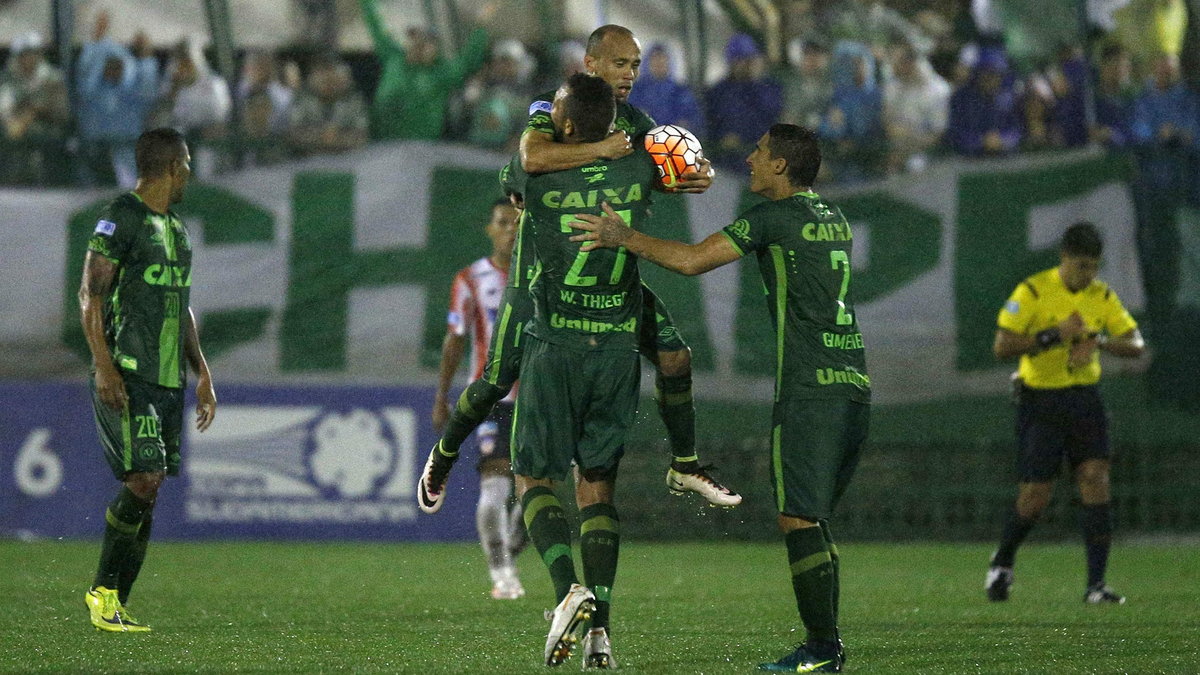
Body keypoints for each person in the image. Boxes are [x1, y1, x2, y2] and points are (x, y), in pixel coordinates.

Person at [570, 123, 870, 673]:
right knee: (814, 519)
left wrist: (625, 236)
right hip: (853, 384)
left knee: (798, 517)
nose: (751, 159)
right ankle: (826, 645)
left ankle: (822, 650)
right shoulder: (833, 216)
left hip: (809, 390)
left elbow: (690, 260)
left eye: (758, 152)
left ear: (780, 165)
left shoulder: (772, 218)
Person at [417, 25, 739, 519]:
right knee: (497, 378)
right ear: (591, 65)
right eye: (619, 64)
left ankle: (686, 463)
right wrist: (601, 151)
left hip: (609, 273)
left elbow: (676, 159)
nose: (629, 73)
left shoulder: (634, 119)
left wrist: (703, 171)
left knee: (675, 357)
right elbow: (530, 158)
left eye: (634, 64)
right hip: (543, 267)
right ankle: (443, 456)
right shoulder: (554, 104)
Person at [505, 72, 660, 669]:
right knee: (597, 488)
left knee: (534, 478)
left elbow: (527, 158)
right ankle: (602, 634)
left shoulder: (539, 170)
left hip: (556, 345)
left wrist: (554, 125)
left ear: (564, 125)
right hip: (618, 350)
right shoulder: (640, 168)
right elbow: (683, 167)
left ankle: (570, 589)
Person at [79, 127, 217, 632]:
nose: (190, 175)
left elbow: (181, 306)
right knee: (144, 479)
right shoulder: (123, 215)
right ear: (174, 165)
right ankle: (101, 591)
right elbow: (90, 295)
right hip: (129, 372)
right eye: (188, 164)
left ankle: (114, 604)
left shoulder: (176, 230)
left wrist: (202, 372)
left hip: (168, 380)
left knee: (151, 487)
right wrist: (103, 364)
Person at [985, 222, 1145, 605]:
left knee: (1095, 477)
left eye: (1091, 267)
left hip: (1084, 398)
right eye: (1078, 266)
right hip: (1040, 400)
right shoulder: (1034, 290)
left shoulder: (1102, 296)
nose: (1084, 274)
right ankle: (1003, 561)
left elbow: (1135, 343)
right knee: (1036, 494)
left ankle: (1096, 585)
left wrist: (1098, 341)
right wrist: (1053, 335)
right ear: (1063, 258)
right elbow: (1002, 346)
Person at [432, 198, 527, 600]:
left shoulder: (544, 274)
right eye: (502, 223)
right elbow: (455, 339)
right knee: (494, 486)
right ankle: (501, 572)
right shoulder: (470, 279)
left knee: (543, 490)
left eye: (517, 223)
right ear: (490, 229)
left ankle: (510, 549)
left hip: (542, 397)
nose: (509, 229)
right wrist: (442, 395)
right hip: (492, 397)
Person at [358, 0, 494, 140]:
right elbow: (375, 24)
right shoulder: (393, 57)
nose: (420, 45)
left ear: (435, 49)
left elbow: (468, 60)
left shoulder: (442, 73)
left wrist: (481, 26)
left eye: (426, 42)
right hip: (381, 145)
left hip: (420, 149)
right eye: (416, 39)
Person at [75, 11, 159, 188]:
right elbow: (85, 71)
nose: (113, 69)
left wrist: (146, 55)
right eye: (108, 65)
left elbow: (148, 87)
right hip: (95, 154)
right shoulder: (92, 94)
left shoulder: (132, 96)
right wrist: (98, 40)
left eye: (118, 65)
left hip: (127, 153)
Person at [705, 33, 783, 169]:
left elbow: (771, 118)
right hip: (724, 162)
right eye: (741, 60)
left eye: (749, 60)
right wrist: (722, 138)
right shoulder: (719, 91)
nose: (745, 65)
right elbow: (709, 123)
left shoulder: (767, 88)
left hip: (759, 160)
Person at [287, 53, 369, 156]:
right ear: (312, 82)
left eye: (333, 82)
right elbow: (294, 133)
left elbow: (362, 135)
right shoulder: (302, 100)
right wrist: (321, 135)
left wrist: (338, 137)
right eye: (323, 82)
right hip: (309, 159)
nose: (329, 86)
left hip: (347, 158)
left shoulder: (354, 101)